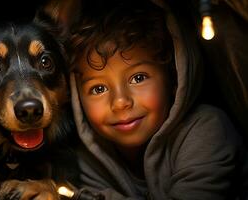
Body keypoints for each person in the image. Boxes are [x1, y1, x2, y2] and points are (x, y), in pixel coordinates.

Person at [69, 0, 248, 199]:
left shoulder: (209, 130)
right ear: (77, 98)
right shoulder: (86, 161)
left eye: (138, 78)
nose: (120, 102)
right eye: (98, 88)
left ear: (173, 79)